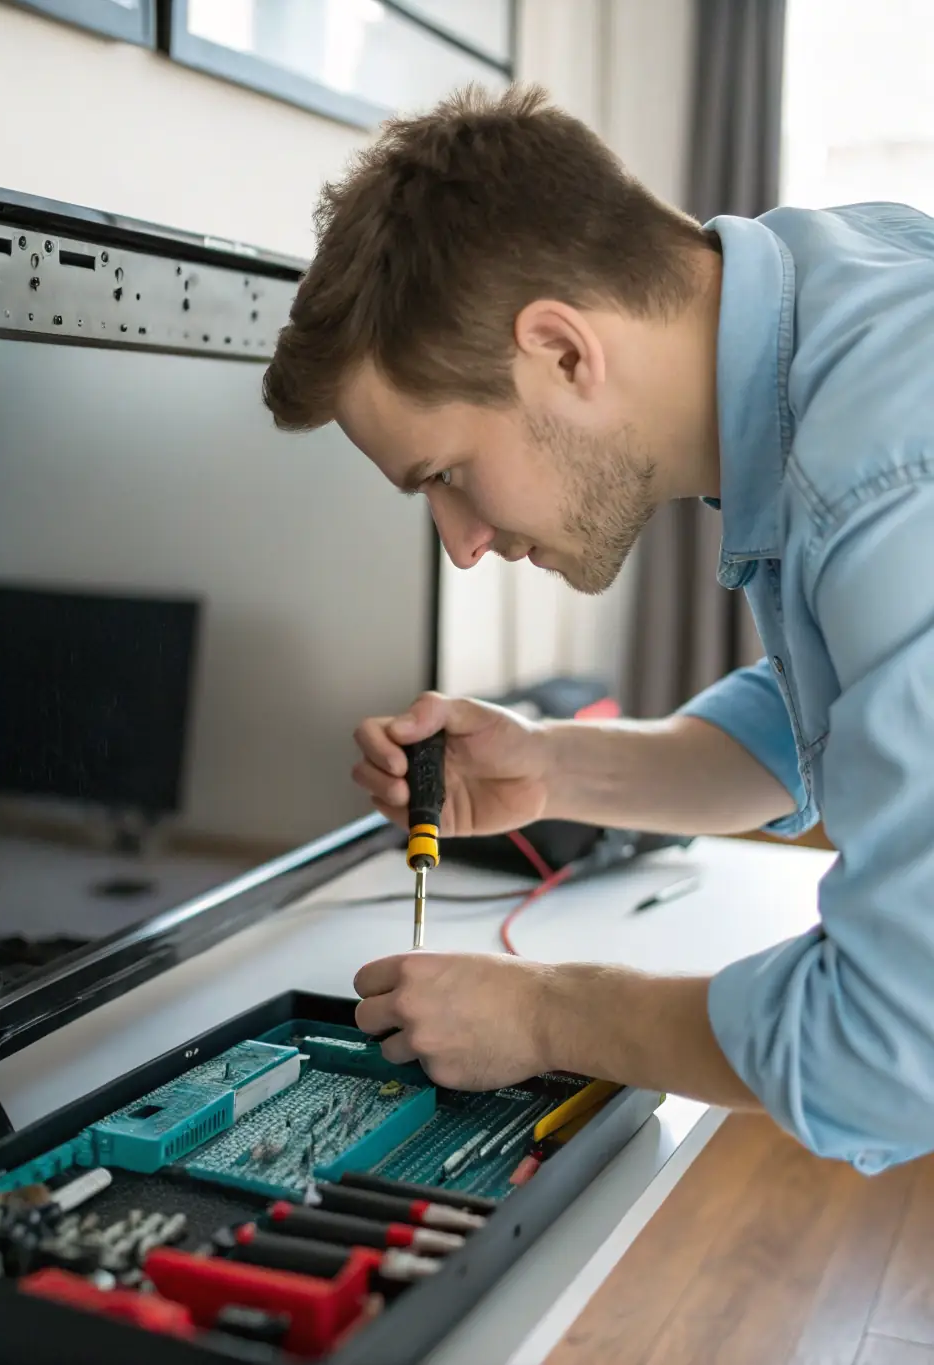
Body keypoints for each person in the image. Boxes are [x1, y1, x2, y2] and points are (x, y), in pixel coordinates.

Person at [262, 84, 934, 1174]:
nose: (462, 544)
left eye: (446, 474)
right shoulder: (831, 295)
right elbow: (821, 710)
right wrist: (546, 767)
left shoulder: (886, 478)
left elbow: (898, 1051)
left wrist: (547, 1017)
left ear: (562, 352)